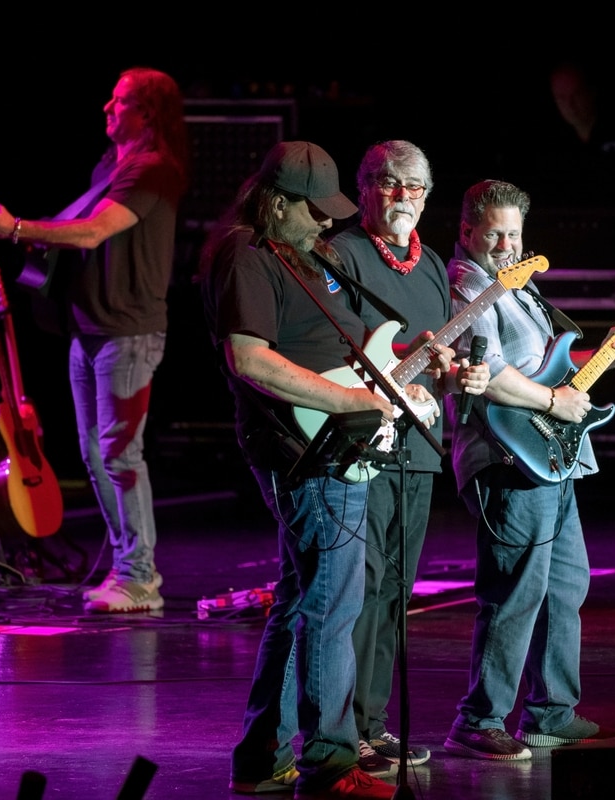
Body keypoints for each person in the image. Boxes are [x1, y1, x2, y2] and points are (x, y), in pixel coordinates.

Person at [198, 140, 454, 799]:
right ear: (275, 202)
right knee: (332, 607)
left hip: (338, 439)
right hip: (304, 447)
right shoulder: (247, 255)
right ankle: (330, 764)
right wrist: (349, 401)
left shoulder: (306, 254)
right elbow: (249, 359)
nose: (324, 221)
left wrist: (402, 363)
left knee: (302, 600)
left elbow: (340, 346)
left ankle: (262, 757)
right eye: (313, 209)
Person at [0, 66, 189, 613]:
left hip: (128, 332)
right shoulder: (110, 166)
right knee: (96, 454)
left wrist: (16, 228)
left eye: (119, 101)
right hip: (88, 328)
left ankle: (140, 576)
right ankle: (127, 567)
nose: (107, 108)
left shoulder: (153, 169)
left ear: (147, 112)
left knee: (120, 454)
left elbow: (93, 232)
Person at [442, 179, 615, 760]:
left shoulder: (519, 285)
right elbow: (491, 372)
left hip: (549, 453)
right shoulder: (467, 287)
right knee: (515, 591)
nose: (507, 246)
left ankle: (551, 713)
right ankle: (478, 720)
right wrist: (555, 401)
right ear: (467, 232)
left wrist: (599, 357)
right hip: (506, 456)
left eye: (515, 234)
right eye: (495, 235)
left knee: (565, 584)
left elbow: (543, 367)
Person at [329, 140, 489, 771]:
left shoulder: (432, 269)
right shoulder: (343, 253)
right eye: (390, 183)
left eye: (414, 187)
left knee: (396, 590)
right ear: (365, 189)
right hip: (361, 444)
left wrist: (457, 377)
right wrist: (397, 363)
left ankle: (373, 723)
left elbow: (434, 374)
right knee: (360, 586)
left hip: (419, 448)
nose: (403, 197)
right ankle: (344, 732)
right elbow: (331, 350)